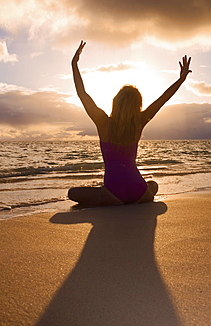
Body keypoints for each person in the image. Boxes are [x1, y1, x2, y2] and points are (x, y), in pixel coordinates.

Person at [68, 41, 192, 206]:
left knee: (73, 193)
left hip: (114, 194)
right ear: (138, 106)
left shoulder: (103, 122)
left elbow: (82, 93)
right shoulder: (140, 122)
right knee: (153, 185)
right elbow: (162, 99)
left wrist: (74, 64)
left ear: (116, 102)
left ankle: (107, 192)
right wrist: (181, 80)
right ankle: (134, 190)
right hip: (141, 193)